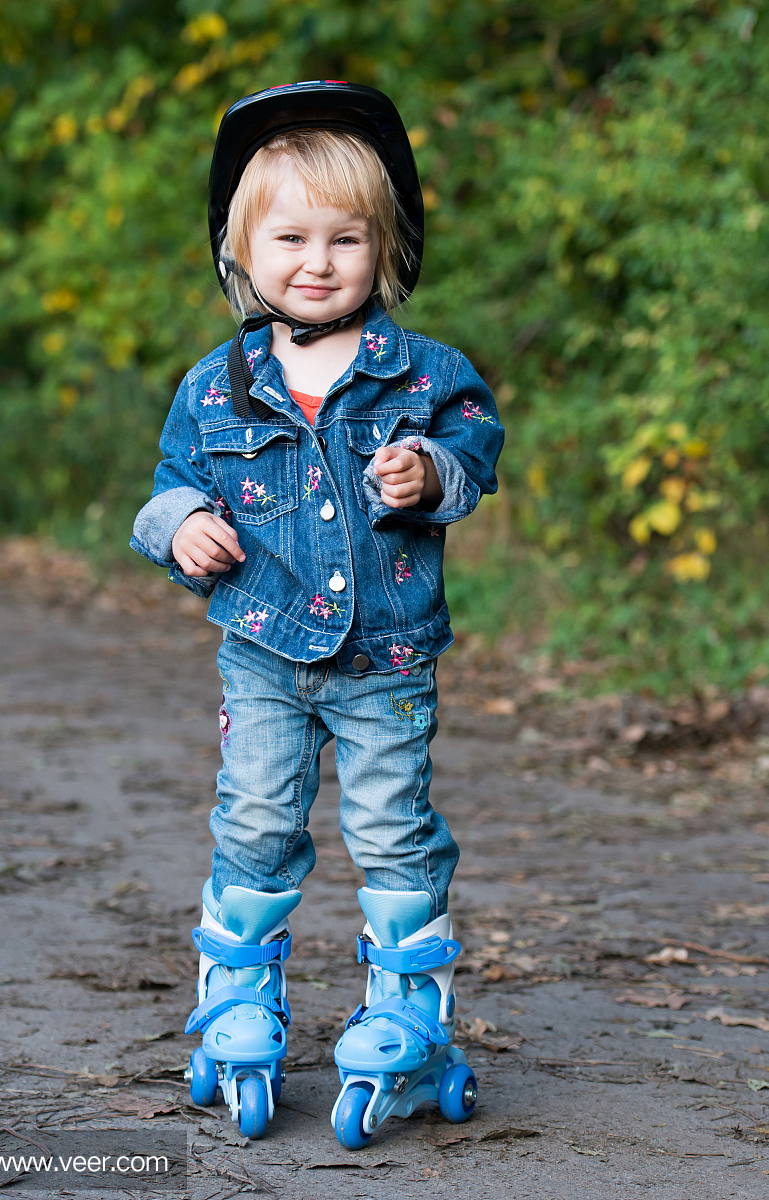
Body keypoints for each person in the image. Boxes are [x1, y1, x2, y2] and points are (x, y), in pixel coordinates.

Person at [130, 81, 504, 1147]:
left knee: (392, 828)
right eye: (290, 238)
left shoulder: (425, 375)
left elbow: (475, 452)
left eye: (346, 238)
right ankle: (237, 1001)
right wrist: (183, 526)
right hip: (262, 655)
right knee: (255, 819)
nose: (317, 261)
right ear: (242, 251)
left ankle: (409, 1015)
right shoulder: (218, 386)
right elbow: (168, 485)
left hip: (387, 660)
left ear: (385, 247)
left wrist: (430, 472)